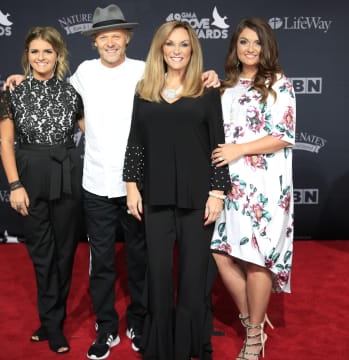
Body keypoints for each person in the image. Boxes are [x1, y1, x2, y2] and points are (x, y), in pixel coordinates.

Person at [3, 4, 221, 359]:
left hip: (139, 186)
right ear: (94, 41)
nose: (110, 42)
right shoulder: (84, 74)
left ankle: (137, 322)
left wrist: (209, 75)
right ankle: (106, 328)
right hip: (95, 184)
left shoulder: (145, 72)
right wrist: (20, 78)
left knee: (141, 261)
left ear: (127, 38)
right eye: (103, 37)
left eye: (116, 36)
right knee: (101, 261)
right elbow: (50, 89)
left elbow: (184, 82)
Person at [123, 20, 230, 360]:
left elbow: (218, 144)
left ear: (193, 50)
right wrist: (131, 188)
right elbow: (135, 144)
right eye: (170, 44)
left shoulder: (207, 90)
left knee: (193, 275)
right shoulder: (144, 90)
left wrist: (217, 193)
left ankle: (189, 345)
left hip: (198, 198)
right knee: (158, 273)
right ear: (160, 49)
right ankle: (160, 347)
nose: (177, 51)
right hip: (154, 196)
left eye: (184, 44)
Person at [209, 18, 296, 360]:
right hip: (228, 183)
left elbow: (282, 136)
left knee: (258, 259)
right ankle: (252, 320)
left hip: (265, 185)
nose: (249, 49)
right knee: (221, 251)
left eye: (256, 43)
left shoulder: (279, 84)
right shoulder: (225, 85)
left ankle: (255, 337)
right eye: (243, 42)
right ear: (235, 46)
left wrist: (239, 149)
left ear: (266, 47)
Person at [0, 26, 84, 355]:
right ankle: (52, 322)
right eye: (35, 52)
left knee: (64, 253)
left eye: (48, 51)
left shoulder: (73, 93)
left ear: (58, 55)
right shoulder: (13, 93)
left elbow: (95, 131)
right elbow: (5, 143)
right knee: (42, 255)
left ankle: (52, 321)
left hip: (66, 174)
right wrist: (14, 184)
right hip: (29, 175)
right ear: (27, 57)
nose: (41, 57)